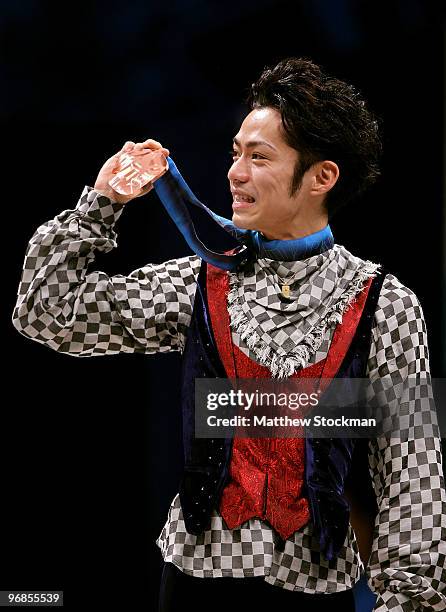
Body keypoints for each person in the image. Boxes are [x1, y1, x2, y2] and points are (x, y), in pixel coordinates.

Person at [12, 58, 446, 611]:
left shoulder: (387, 306)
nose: (234, 173)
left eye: (258, 157)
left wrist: (410, 600)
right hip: (197, 583)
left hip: (316, 588)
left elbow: (412, 471)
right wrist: (102, 205)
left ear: (322, 177)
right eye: (235, 153)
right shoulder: (199, 281)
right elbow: (46, 313)